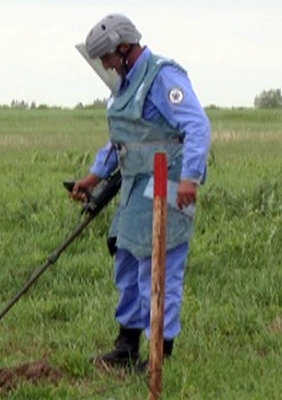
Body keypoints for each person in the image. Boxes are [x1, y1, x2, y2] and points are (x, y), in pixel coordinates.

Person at [71, 13, 211, 370]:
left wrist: (190, 179)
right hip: (135, 186)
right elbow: (125, 138)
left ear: (124, 48)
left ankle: (158, 354)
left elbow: (197, 126)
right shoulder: (126, 85)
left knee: (159, 268)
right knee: (128, 261)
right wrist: (94, 176)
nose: (105, 65)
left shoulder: (164, 76)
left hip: (167, 186)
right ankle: (127, 345)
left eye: (107, 57)